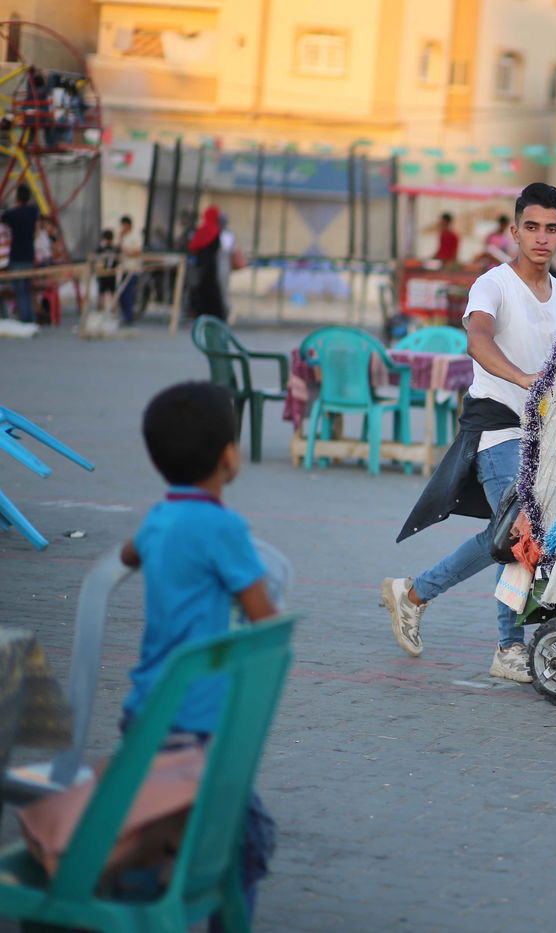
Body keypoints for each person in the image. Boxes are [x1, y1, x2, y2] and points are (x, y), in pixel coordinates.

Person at [383, 183, 556, 682]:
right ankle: (509, 648)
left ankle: (415, 593)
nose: (541, 237)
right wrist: (524, 378)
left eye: (551, 228)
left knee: (512, 533)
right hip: (497, 429)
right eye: (531, 226)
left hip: (544, 439)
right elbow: (478, 337)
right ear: (514, 231)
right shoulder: (493, 284)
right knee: (517, 531)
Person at [117, 381, 279, 923]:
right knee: (243, 840)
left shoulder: (160, 518)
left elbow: (128, 553)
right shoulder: (223, 527)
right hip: (199, 720)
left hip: (145, 710)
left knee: (158, 825)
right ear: (228, 456)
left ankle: (141, 894)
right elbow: (264, 619)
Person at [2, 184, 39, 323]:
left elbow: (4, 216)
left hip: (16, 257)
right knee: (27, 290)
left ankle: (24, 321)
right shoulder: (33, 212)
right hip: (29, 256)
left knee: (19, 291)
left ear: (17, 198)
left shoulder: (13, 214)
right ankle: (29, 319)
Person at [188, 205, 226, 320]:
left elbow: (194, 245)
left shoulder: (207, 228)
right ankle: (215, 315)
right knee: (211, 290)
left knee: (204, 290)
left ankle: (203, 315)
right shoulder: (216, 229)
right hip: (211, 265)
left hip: (203, 266)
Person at [116, 214, 143, 325]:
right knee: (121, 294)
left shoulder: (136, 236)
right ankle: (125, 316)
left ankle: (129, 317)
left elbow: (137, 252)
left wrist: (125, 250)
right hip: (124, 268)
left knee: (127, 294)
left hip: (133, 269)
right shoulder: (124, 236)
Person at [95, 228, 118, 312]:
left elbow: (98, 263)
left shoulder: (100, 250)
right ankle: (112, 311)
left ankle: (104, 310)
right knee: (110, 294)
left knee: (103, 294)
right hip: (110, 274)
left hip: (105, 274)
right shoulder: (115, 249)